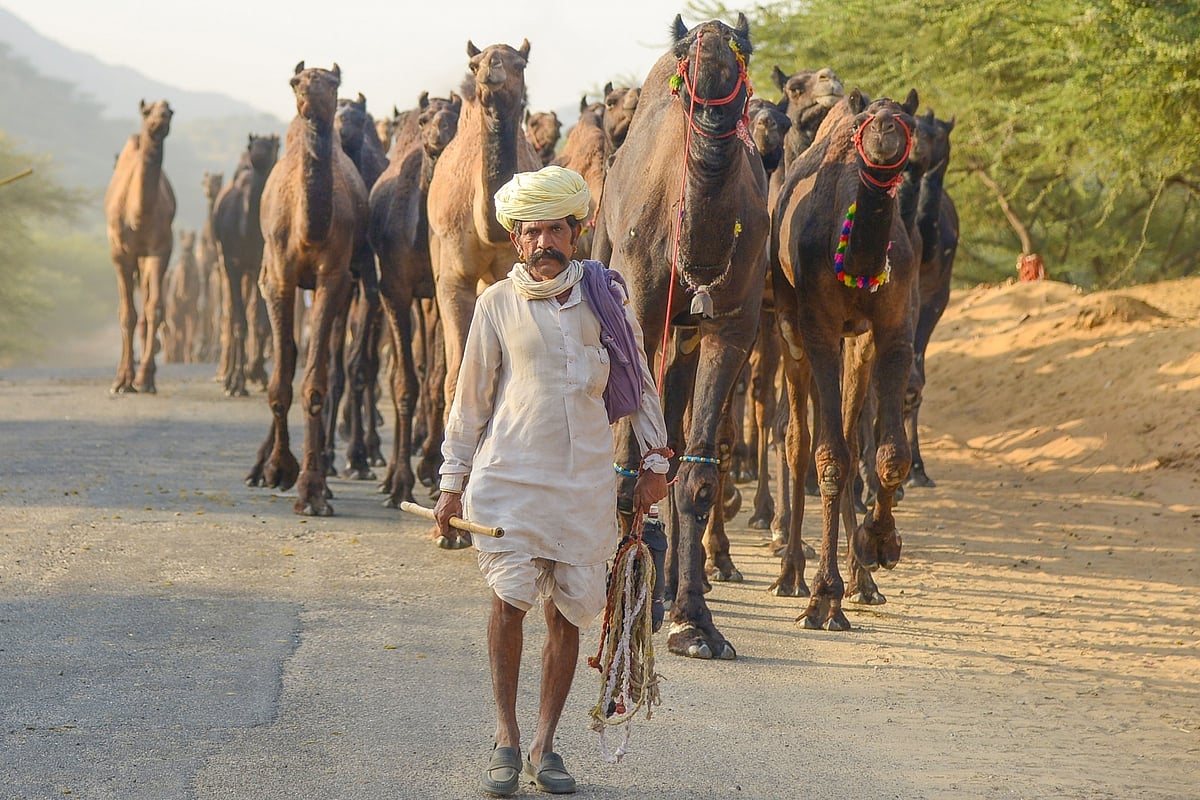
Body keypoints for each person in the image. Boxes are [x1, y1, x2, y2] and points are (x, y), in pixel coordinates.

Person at [433, 165, 670, 796]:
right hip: (510, 478)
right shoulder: (496, 303)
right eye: (533, 232)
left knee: (568, 612)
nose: (545, 243)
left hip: (585, 482)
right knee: (508, 601)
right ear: (517, 238)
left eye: (556, 231)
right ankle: (506, 738)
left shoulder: (606, 299)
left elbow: (640, 380)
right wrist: (452, 480)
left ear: (576, 233)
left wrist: (656, 460)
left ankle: (545, 744)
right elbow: (469, 399)